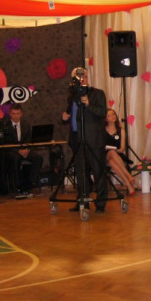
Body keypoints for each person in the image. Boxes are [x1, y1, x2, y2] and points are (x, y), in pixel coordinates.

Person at [61, 67, 109, 212]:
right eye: (78, 77)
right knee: (81, 172)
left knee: (98, 171)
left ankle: (100, 204)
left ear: (88, 77)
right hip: (77, 139)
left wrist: (88, 104)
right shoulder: (72, 96)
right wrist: (64, 118)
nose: (82, 80)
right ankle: (82, 201)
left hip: (94, 140)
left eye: (84, 77)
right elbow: (69, 115)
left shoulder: (97, 93)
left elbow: (102, 112)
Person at [2, 104, 44, 196]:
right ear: (10, 114)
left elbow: (29, 139)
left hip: (24, 149)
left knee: (38, 158)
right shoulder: (5, 125)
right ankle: (17, 186)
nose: (15, 116)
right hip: (11, 151)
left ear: (21, 114)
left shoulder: (26, 124)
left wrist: (27, 149)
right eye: (13, 113)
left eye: (17, 113)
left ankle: (30, 183)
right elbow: (5, 142)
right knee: (16, 158)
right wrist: (18, 151)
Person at [104, 108, 136, 196]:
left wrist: (119, 150)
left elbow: (122, 147)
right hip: (105, 154)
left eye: (113, 114)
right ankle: (128, 175)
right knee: (111, 152)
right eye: (109, 116)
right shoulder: (103, 130)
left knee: (112, 161)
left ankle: (129, 185)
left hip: (117, 155)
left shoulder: (121, 130)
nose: (112, 117)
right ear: (106, 119)